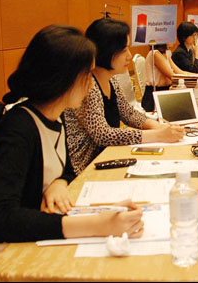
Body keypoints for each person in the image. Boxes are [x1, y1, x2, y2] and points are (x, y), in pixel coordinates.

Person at [0, 25, 145, 243]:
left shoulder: (57, 117)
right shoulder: (17, 130)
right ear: (63, 78)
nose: (91, 84)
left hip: (48, 231)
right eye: (87, 75)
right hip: (21, 244)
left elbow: (67, 168)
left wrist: (59, 183)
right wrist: (96, 225)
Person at [64, 18, 184, 174]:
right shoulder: (88, 85)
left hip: (107, 156)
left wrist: (159, 126)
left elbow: (128, 113)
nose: (129, 55)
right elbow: (103, 135)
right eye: (123, 50)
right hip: (84, 168)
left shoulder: (111, 79)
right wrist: (157, 135)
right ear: (106, 51)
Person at [141, 43, 198, 112]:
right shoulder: (155, 54)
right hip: (154, 96)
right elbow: (173, 76)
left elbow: (180, 72)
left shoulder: (166, 54)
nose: (173, 41)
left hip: (164, 93)